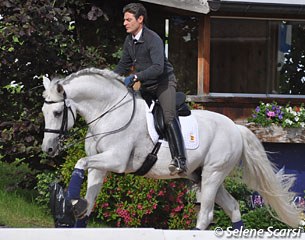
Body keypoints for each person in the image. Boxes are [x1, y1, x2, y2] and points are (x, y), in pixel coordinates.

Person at [114, 3, 187, 174]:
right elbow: (122, 65)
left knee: (168, 116)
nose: (125, 23)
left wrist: (136, 77)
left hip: (164, 84)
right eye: (124, 20)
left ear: (140, 20)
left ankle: (180, 160)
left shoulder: (153, 39)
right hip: (147, 86)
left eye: (128, 19)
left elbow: (157, 68)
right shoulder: (129, 40)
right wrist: (109, 79)